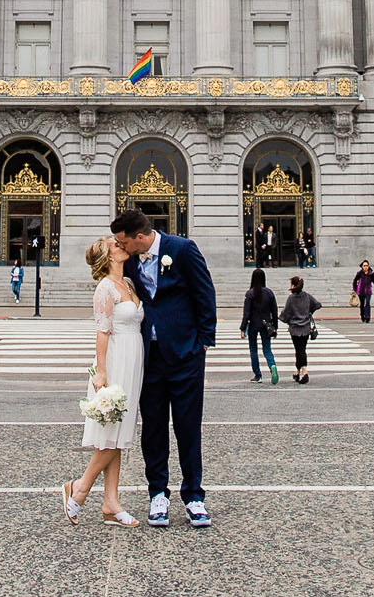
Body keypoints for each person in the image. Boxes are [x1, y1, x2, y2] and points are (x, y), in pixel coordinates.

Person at [111, 205, 217, 529]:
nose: (120, 247)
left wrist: (201, 343)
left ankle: (194, 496)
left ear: (139, 237)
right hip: (149, 358)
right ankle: (158, 493)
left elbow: (205, 294)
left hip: (185, 355)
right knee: (153, 429)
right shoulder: (129, 260)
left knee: (188, 427)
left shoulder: (182, 250)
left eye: (123, 242)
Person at [62, 236, 145, 527]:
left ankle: (111, 502)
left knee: (118, 435)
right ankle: (80, 487)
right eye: (115, 245)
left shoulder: (130, 284)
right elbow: (102, 332)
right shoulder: (105, 288)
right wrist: (101, 372)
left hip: (133, 359)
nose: (122, 245)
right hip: (114, 360)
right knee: (111, 434)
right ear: (107, 256)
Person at [239, 268, 279, 384]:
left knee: (253, 349)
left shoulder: (250, 293)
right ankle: (272, 366)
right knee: (267, 349)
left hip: (253, 324)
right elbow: (274, 312)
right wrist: (275, 327)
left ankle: (258, 375)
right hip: (266, 324)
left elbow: (246, 313)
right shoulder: (269, 293)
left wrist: (243, 328)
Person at [282, 275, 321, 384]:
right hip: (305, 327)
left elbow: (286, 313)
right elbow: (317, 304)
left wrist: (285, 319)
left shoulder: (291, 298)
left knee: (299, 350)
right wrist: (309, 312)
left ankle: (304, 371)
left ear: (293, 285)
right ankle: (297, 372)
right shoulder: (307, 296)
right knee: (301, 349)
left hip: (295, 328)